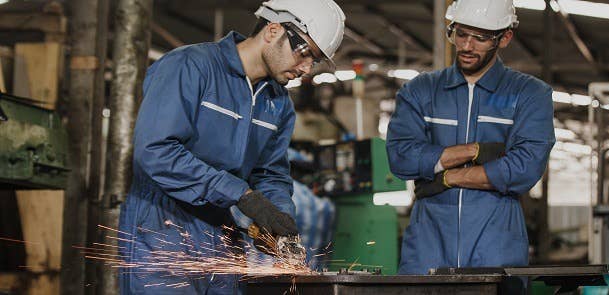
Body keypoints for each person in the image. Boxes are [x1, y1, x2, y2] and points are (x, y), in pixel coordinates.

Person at [117, 0, 345, 293]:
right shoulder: (190, 67)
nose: (305, 68)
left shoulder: (278, 104)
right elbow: (156, 151)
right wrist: (241, 194)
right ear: (273, 31)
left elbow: (270, 174)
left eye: (314, 61)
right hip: (161, 225)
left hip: (221, 230)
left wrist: (277, 220)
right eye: (305, 53)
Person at [386, 0, 555, 292]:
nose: (466, 45)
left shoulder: (529, 94)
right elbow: (401, 157)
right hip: (427, 245)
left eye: (480, 38)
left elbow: (524, 169)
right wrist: (476, 151)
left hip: (497, 246)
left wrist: (447, 177)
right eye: (460, 34)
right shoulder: (420, 90)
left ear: (504, 37)